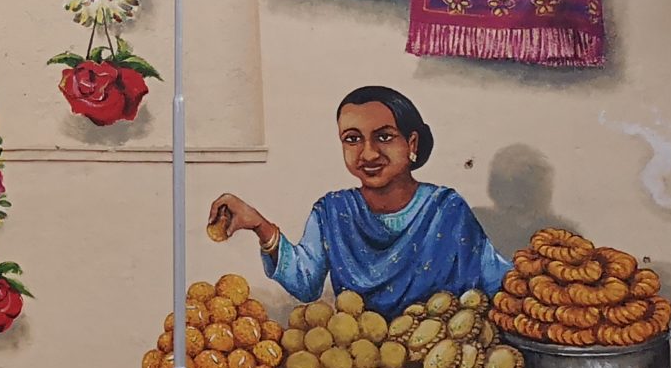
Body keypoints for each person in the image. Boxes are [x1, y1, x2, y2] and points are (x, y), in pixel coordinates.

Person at [206, 85, 510, 315]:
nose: (368, 153)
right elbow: (306, 285)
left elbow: (498, 282)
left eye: (384, 136)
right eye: (352, 139)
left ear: (412, 143)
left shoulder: (446, 210)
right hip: (358, 360)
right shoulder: (332, 212)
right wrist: (259, 225)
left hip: (443, 361)